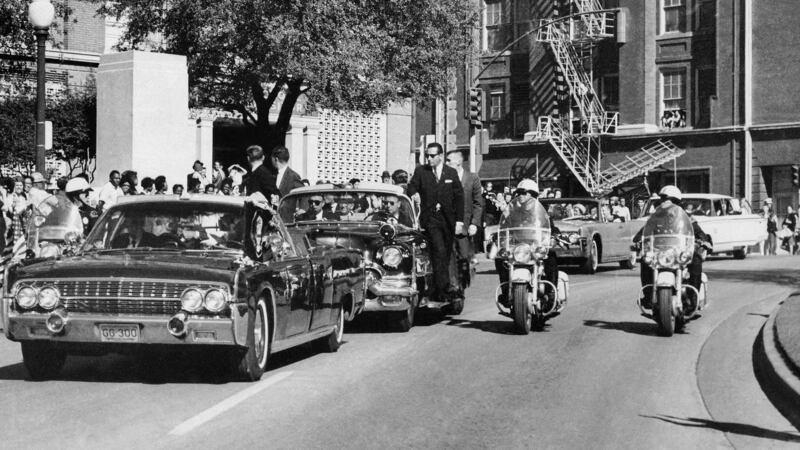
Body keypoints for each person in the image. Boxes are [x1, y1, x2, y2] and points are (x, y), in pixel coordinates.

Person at [634, 185, 712, 307]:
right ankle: (648, 295)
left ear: (676, 202)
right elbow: (644, 231)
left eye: (668, 199)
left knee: (696, 259)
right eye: (663, 199)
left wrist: (704, 240)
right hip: (660, 253)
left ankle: (692, 297)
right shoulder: (656, 218)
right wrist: (639, 240)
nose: (665, 202)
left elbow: (698, 232)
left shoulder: (687, 217)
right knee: (645, 261)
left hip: (679, 252)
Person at [407, 142, 464, 303]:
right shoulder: (421, 172)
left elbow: (459, 198)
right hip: (430, 219)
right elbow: (411, 186)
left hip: (448, 220)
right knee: (438, 250)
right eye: (427, 155)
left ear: (440, 156)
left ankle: (441, 287)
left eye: (432, 156)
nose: (429, 158)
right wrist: (414, 193)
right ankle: (442, 289)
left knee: (445, 254)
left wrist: (459, 221)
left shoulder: (451, 173)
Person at [494, 179, 559, 307]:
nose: (520, 195)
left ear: (533, 195)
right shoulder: (513, 212)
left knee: (551, 256)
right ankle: (506, 292)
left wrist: (555, 234)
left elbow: (550, 226)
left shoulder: (542, 212)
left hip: (535, 247)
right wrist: (498, 236)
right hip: (518, 248)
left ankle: (551, 294)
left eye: (524, 193)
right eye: (518, 193)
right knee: (500, 258)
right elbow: (505, 226)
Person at [446, 149, 484, 291]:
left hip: (465, 227)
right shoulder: (445, 178)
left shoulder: (472, 178)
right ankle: (453, 286)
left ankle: (463, 280)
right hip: (448, 225)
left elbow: (478, 203)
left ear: (458, 162)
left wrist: (474, 223)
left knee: (463, 257)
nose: (446, 163)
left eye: (449, 160)